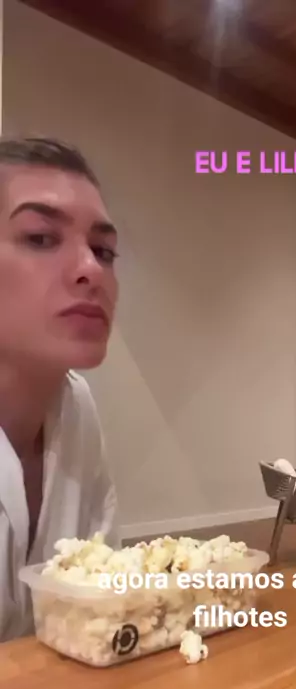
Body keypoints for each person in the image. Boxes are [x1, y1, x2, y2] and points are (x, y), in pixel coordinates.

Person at [0, 136, 120, 642]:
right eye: (41, 238)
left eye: (104, 250)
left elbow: (97, 605)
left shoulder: (77, 408)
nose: (91, 269)